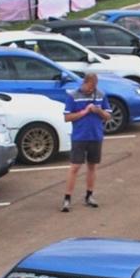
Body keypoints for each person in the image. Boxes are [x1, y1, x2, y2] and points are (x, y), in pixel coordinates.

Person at [60, 73, 106, 212]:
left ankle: (89, 195)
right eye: (90, 87)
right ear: (85, 83)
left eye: (94, 87)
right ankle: (67, 198)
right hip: (79, 136)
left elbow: (108, 115)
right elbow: (67, 117)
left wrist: (98, 110)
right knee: (75, 167)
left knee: (92, 166)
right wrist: (84, 112)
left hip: (96, 136)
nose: (92, 90)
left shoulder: (101, 94)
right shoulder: (73, 96)